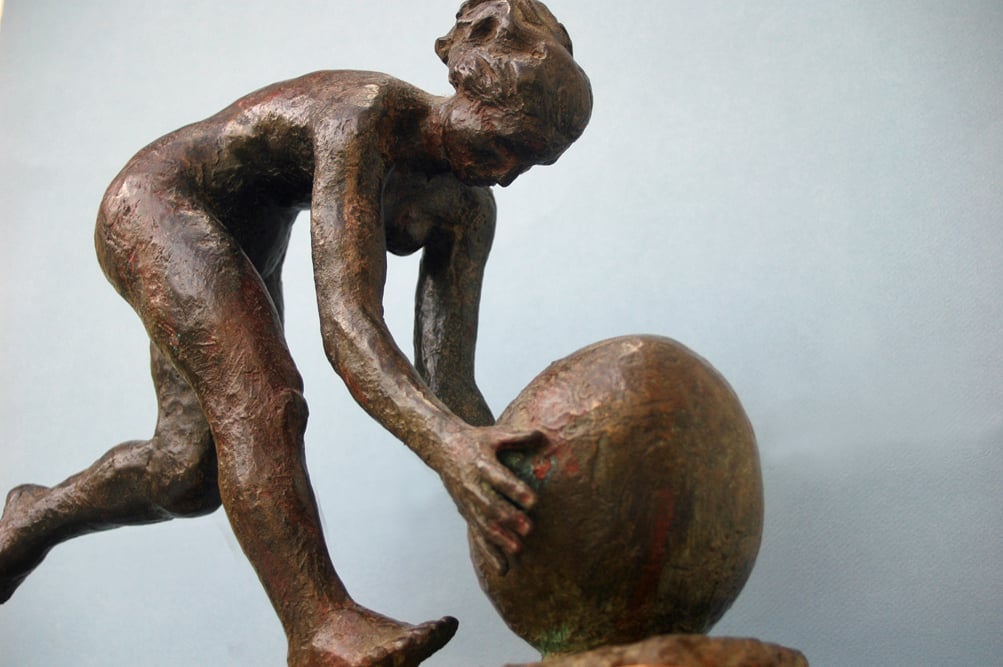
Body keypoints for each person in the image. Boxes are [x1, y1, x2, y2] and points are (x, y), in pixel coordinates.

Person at [0, 1, 591, 665]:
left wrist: (506, 479)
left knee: (186, 474)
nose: (506, 172)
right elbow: (348, 325)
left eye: (529, 163)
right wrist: (451, 448)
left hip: (246, 240)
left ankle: (33, 515)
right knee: (262, 401)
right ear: (469, 94)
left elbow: (449, 381)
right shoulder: (367, 117)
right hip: (159, 203)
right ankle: (319, 628)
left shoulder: (469, 210)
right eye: (504, 142)